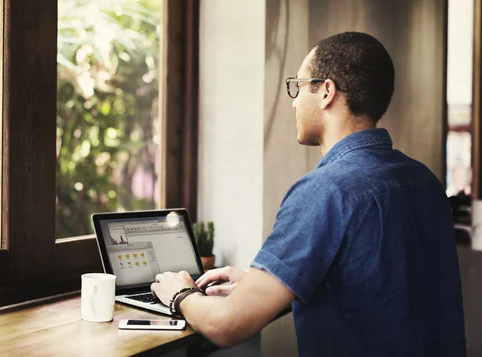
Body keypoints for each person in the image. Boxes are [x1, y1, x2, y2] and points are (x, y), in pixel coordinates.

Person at [150, 32, 467, 356]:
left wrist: (181, 294)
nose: (294, 100)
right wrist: (259, 284)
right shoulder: (424, 180)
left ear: (326, 91)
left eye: (298, 86)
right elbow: (378, 288)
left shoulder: (324, 191)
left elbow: (228, 325)